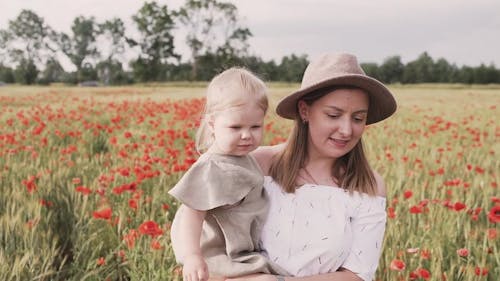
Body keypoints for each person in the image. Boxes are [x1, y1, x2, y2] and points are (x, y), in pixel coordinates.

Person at [226, 53, 397, 281]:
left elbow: (358, 275)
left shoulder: (369, 185)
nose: (347, 130)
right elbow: (208, 246)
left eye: (358, 118)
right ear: (305, 111)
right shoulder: (257, 165)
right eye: (334, 115)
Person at [169, 67, 287, 281]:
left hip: (240, 252)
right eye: (235, 127)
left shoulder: (243, 157)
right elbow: (191, 214)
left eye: (255, 126)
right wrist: (193, 256)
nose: (246, 135)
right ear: (212, 125)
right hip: (216, 257)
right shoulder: (212, 167)